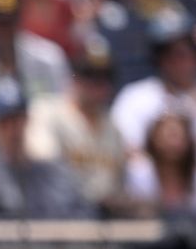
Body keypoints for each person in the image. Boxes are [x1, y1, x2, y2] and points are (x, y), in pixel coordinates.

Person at [110, 9, 196, 182]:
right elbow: (127, 152)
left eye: (188, 53)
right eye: (172, 54)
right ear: (159, 58)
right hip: (155, 196)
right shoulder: (136, 98)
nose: (182, 62)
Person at [24, 44, 128, 214]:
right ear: (74, 78)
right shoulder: (48, 112)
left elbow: (117, 184)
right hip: (59, 214)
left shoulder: (113, 127)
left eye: (103, 78)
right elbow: (45, 165)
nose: (97, 85)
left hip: (105, 217)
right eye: (90, 76)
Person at [0, 80, 93, 220]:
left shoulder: (53, 173)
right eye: (5, 122)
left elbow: (81, 213)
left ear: (27, 120)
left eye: (18, 119)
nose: (13, 129)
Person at [124, 113, 196, 219]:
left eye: (178, 136)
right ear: (154, 138)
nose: (173, 143)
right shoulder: (139, 174)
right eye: (169, 135)